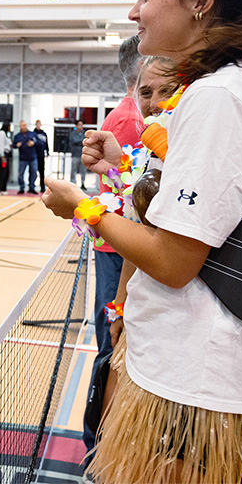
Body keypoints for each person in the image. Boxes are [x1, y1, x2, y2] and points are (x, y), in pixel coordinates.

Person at [43, 0, 242, 484]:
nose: (135, 12)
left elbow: (172, 260)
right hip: (203, 374)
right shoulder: (236, 87)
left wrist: (83, 208)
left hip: (201, 380)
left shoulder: (218, 97)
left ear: (201, 3)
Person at [82, 48, 168, 460]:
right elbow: (141, 204)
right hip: (122, 247)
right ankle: (100, 450)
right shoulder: (135, 118)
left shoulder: (136, 118)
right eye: (150, 90)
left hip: (123, 243)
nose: (156, 101)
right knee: (114, 348)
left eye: (166, 90)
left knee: (115, 345)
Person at [13, 120, 38, 194]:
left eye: (25, 125)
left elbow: (39, 142)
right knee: (20, 174)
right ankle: (21, 187)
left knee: (34, 172)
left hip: (32, 157)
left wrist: (33, 143)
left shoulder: (32, 134)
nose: (24, 126)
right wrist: (16, 145)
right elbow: (13, 144)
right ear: (20, 126)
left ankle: (32, 187)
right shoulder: (17, 136)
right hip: (23, 158)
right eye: (23, 125)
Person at [68, 120, 87, 190]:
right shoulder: (72, 134)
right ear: (76, 126)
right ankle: (73, 184)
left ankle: (82, 183)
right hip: (75, 155)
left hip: (83, 155)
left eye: (81, 125)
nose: (80, 126)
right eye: (79, 125)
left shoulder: (84, 134)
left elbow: (86, 142)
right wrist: (81, 141)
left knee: (83, 170)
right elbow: (74, 141)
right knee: (74, 170)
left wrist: (80, 142)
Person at [33, 119, 49, 193]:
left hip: (41, 155)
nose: (38, 125)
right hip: (34, 155)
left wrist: (47, 152)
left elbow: (46, 144)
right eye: (37, 124)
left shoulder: (43, 134)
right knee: (33, 171)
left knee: (42, 171)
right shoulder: (33, 133)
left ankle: (42, 186)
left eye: (39, 123)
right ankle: (32, 186)